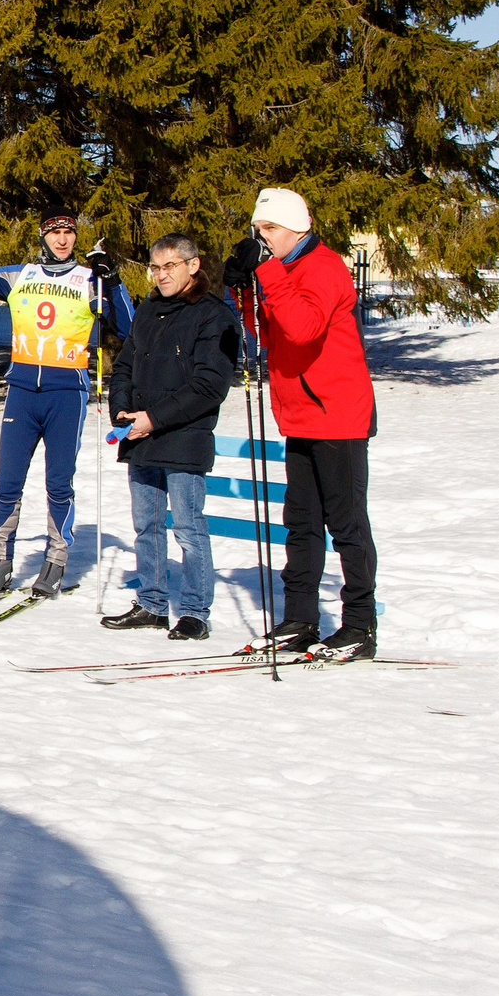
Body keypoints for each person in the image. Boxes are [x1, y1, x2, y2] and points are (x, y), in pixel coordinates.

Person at [0, 212, 133, 596]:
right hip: (22, 394)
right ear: (43, 236)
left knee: (58, 483)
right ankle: (1, 561)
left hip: (66, 395)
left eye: (68, 233)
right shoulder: (21, 276)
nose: (63, 240)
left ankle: (55, 560)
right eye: (55, 233)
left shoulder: (89, 279)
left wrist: (112, 279)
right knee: (8, 481)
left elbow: (129, 326)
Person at [226, 187, 379, 661]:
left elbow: (303, 327)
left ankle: (360, 625)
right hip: (300, 414)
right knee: (301, 522)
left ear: (297, 228)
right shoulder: (282, 270)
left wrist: (267, 272)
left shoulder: (323, 267)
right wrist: (242, 289)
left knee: (346, 523)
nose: (263, 238)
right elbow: (267, 331)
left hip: (337, 413)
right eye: (258, 230)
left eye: (270, 229)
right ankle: (300, 619)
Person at [100, 235, 239, 640]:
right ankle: (152, 603)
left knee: (188, 529)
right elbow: (124, 367)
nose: (161, 275)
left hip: (183, 437)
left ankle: (195, 611)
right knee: (146, 525)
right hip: (140, 434)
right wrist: (122, 411)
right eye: (155, 268)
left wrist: (154, 419)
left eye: (170, 266)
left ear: (193, 266)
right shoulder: (148, 310)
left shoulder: (213, 316)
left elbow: (209, 386)